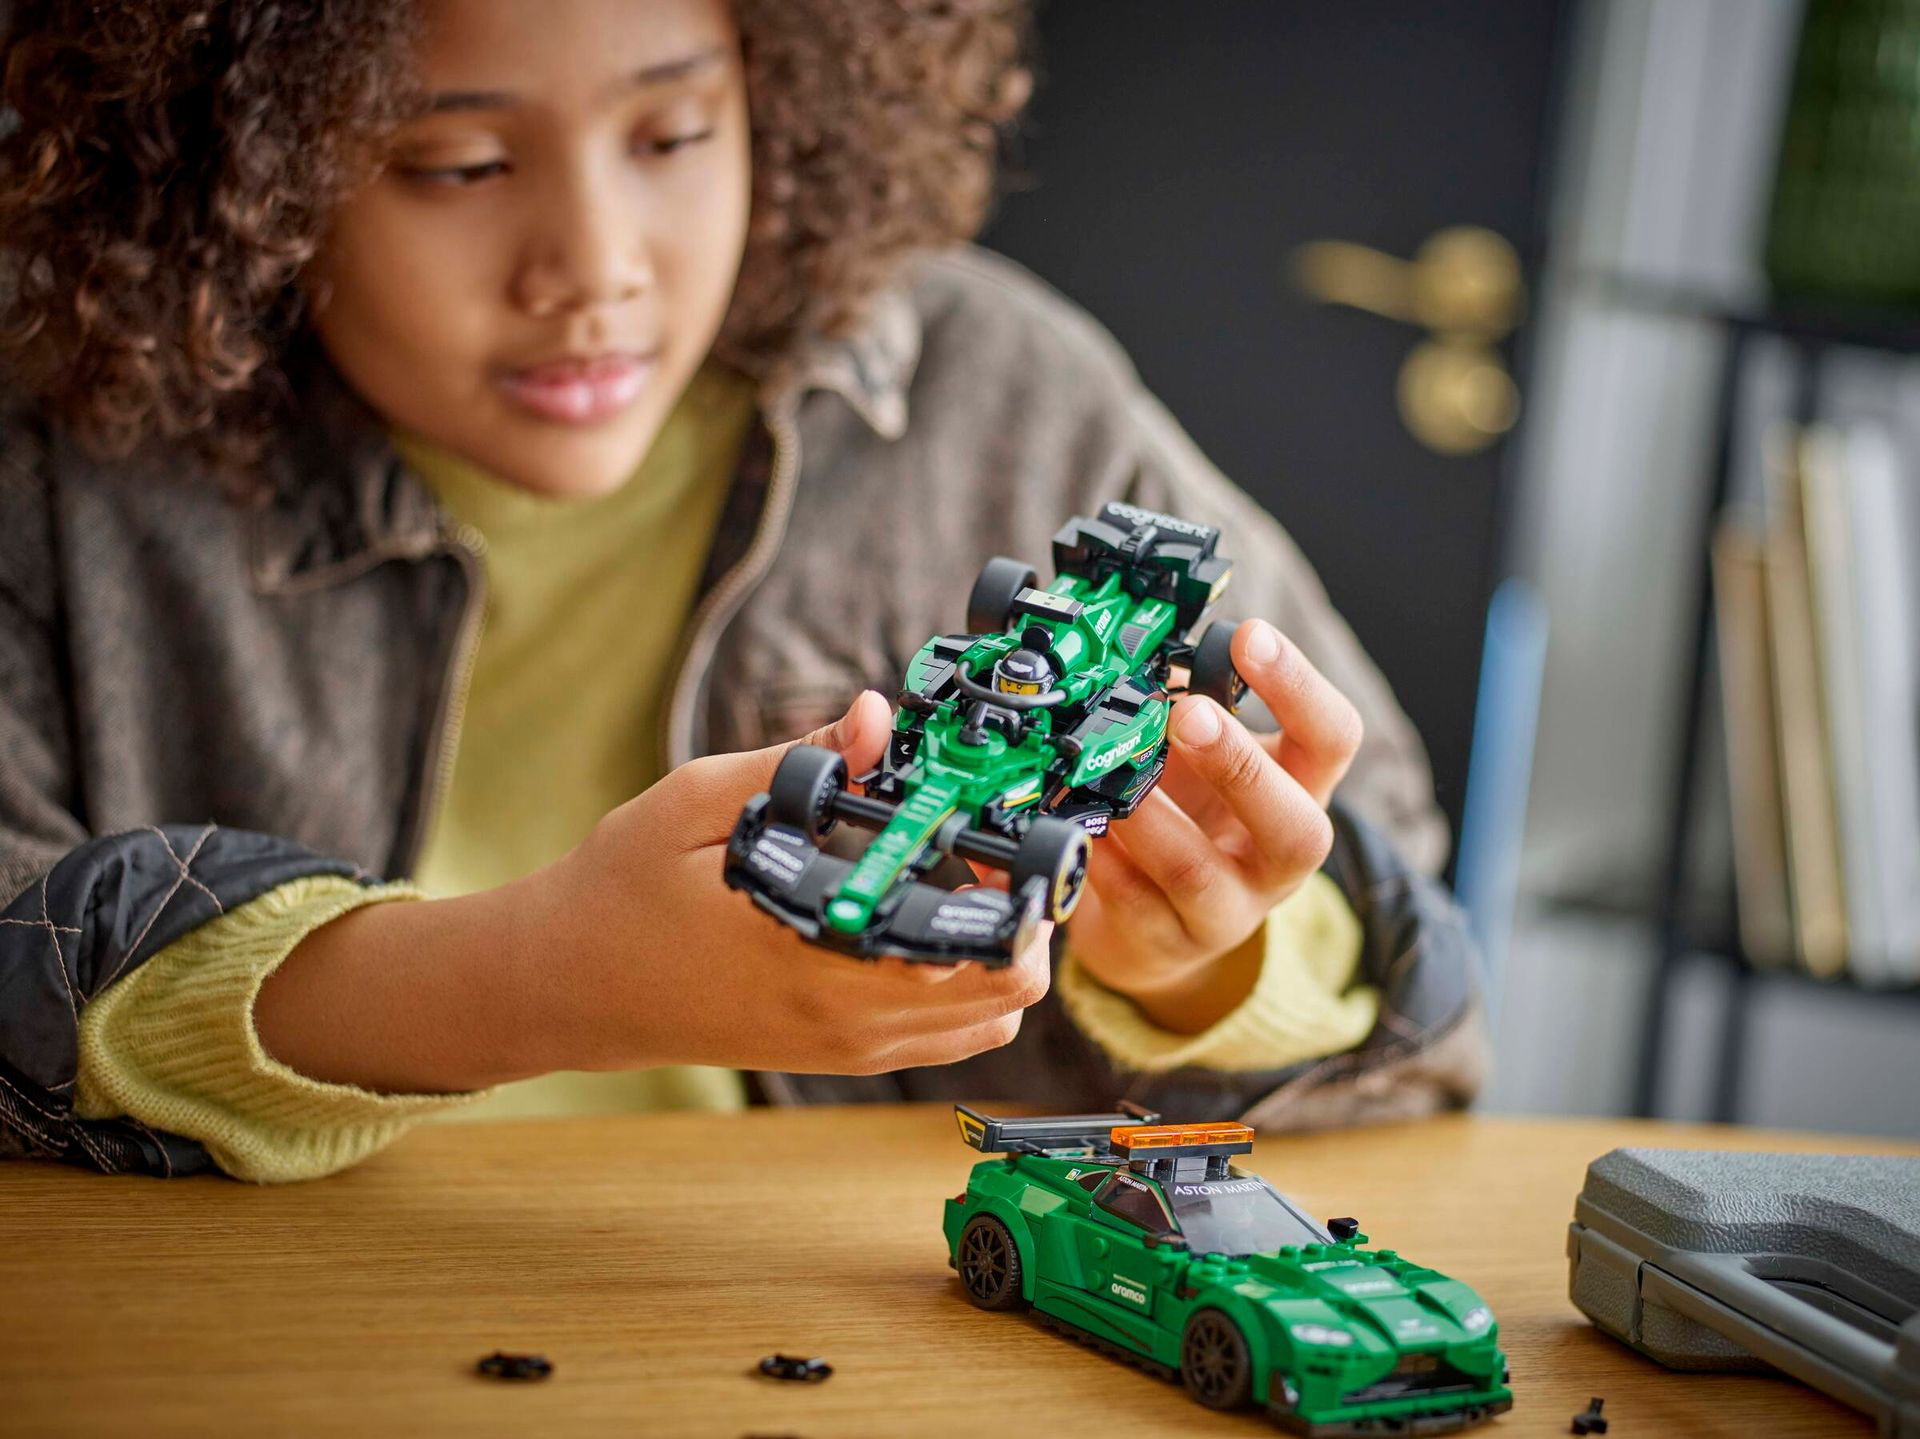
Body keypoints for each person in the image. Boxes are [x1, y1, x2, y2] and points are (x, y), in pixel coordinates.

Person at [0, 0, 1485, 1183]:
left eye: (675, 133)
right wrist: (530, 982)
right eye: (456, 164)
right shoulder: (61, 459)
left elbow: (1416, 964)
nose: (593, 267)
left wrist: (1199, 969)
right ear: (234, 152)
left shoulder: (998, 398)